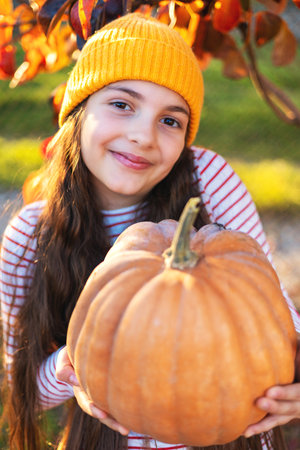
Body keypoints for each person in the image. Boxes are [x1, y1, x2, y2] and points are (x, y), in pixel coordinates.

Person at [0, 12, 299, 450]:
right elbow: (25, 383)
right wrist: (77, 362)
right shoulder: (32, 232)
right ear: (79, 113)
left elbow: (275, 310)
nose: (144, 136)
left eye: (170, 120)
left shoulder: (207, 180)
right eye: (122, 104)